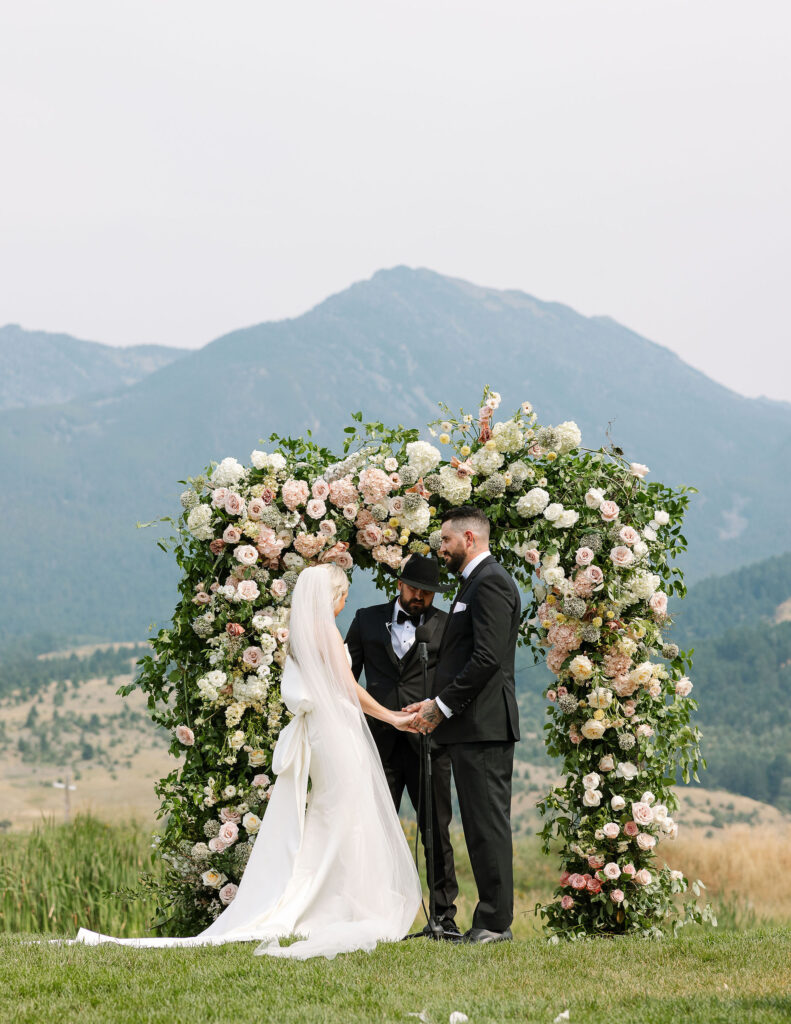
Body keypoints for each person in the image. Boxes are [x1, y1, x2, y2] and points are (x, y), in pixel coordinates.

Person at [70, 564, 423, 959]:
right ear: (331, 597)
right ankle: (345, 901)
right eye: (342, 597)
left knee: (332, 813)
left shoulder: (301, 637)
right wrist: (392, 717)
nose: (343, 605)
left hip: (322, 732)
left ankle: (329, 896)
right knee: (346, 814)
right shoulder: (324, 630)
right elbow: (346, 685)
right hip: (336, 732)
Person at [406, 507, 521, 944]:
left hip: (484, 725)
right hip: (471, 725)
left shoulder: (489, 582)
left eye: (446, 541)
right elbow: (462, 656)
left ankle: (495, 923)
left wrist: (443, 705)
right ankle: (489, 920)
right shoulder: (472, 583)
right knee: (477, 825)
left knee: (488, 824)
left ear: (468, 538)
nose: (442, 549)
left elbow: (487, 659)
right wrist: (434, 700)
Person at [345, 554, 459, 936]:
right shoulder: (365, 619)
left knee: (436, 831)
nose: (419, 599)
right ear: (399, 584)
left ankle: (443, 917)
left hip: (429, 745)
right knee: (374, 830)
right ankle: (374, 914)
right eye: (414, 589)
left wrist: (434, 711)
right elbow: (346, 680)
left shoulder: (448, 626)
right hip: (377, 743)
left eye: (427, 594)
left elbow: (457, 683)